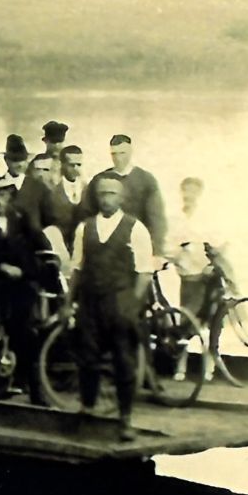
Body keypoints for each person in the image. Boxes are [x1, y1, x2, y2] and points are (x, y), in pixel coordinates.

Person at [69, 172, 158, 432]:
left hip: (120, 302)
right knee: (88, 358)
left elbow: (144, 272)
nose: (106, 199)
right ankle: (87, 409)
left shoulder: (135, 228)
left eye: (111, 194)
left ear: (122, 197)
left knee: (124, 361)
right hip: (90, 303)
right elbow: (77, 268)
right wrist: (68, 302)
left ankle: (125, 418)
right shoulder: (84, 227)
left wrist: (132, 305)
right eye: (101, 194)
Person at [0, 173, 47, 400]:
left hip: (22, 286)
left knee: (25, 334)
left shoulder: (20, 217)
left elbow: (40, 244)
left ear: (10, 196)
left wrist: (29, 270)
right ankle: (0, 383)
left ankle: (34, 388)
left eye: (3, 195)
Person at [81, 134, 168, 255]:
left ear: (130, 152)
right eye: (114, 154)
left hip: (135, 242)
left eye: (122, 153)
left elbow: (156, 219)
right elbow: (88, 213)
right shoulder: (100, 179)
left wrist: (157, 251)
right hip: (105, 242)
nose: (118, 158)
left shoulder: (146, 180)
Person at [169, 176, 233, 318]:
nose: (188, 195)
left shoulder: (206, 217)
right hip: (188, 272)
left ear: (199, 194)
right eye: (185, 191)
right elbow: (170, 244)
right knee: (189, 314)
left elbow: (221, 242)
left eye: (192, 191)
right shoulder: (176, 219)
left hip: (207, 270)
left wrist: (212, 263)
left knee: (214, 313)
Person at [15, 149, 78, 258]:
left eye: (46, 170)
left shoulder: (68, 193)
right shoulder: (26, 194)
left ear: (56, 172)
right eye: (37, 170)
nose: (40, 174)